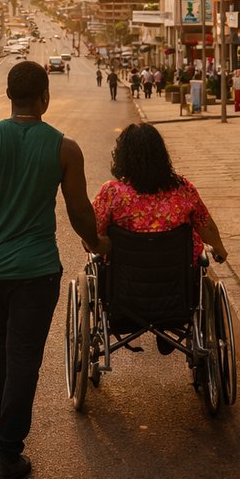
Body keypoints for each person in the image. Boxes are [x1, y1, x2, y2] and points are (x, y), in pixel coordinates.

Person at [0, 61, 110, 479]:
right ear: (45, 97)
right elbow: (78, 210)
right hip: (37, 269)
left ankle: (4, 408)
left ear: (9, 96)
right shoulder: (63, 148)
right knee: (25, 356)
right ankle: (8, 454)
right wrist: (96, 243)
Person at [92, 123, 230, 351]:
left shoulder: (112, 193)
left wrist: (91, 245)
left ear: (122, 156)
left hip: (124, 298)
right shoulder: (182, 189)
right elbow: (206, 226)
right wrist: (219, 248)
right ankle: (165, 329)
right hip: (176, 297)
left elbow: (93, 232)